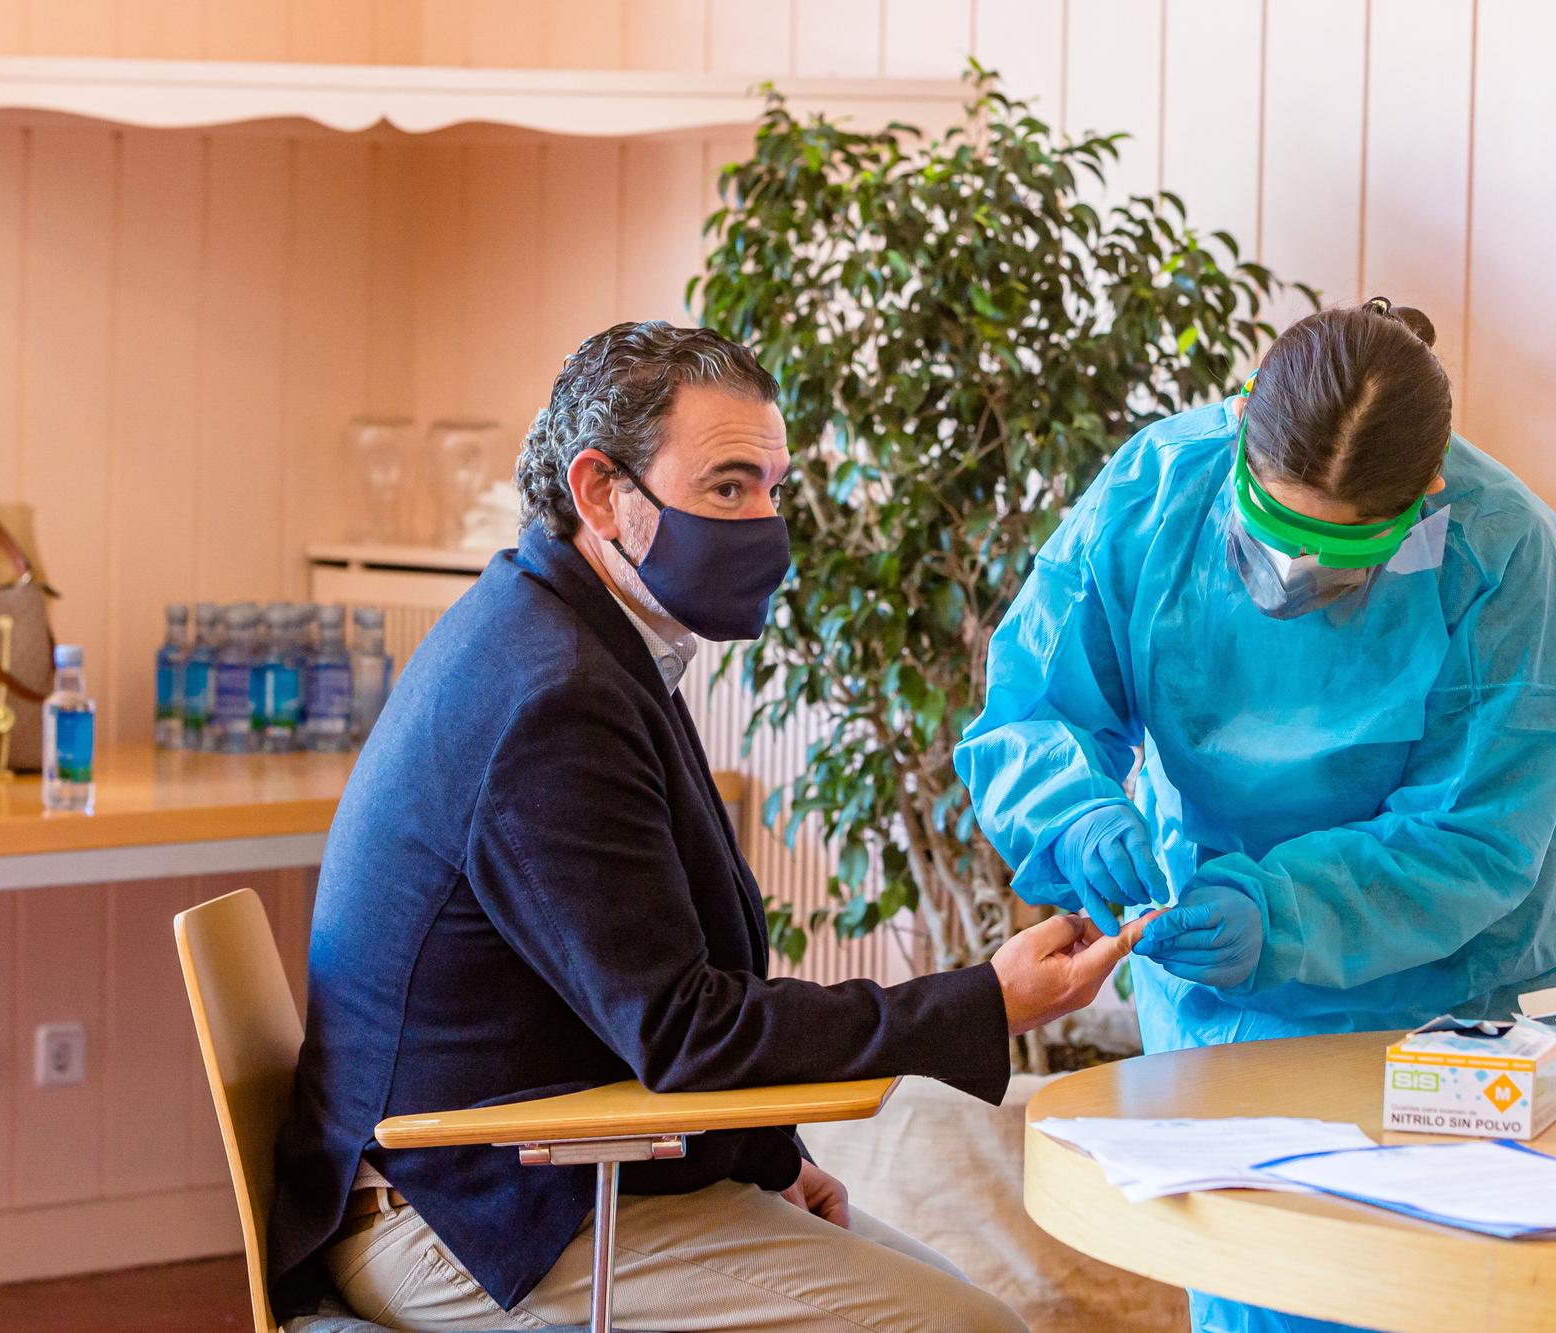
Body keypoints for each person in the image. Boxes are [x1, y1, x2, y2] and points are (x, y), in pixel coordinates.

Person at [268, 321, 1146, 1332]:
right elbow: (684, 1029)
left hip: (540, 1173)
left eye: (774, 488)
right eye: (728, 488)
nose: (765, 522)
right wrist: (983, 1002)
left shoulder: (576, 635)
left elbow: (643, 998)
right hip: (471, 1216)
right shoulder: (552, 696)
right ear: (602, 493)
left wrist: (774, 1157)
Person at [956, 299, 1556, 1333]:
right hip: (1221, 987)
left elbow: (1473, 835)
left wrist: (1284, 907)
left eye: (1337, 554)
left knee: (1452, 1295)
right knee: (1263, 1289)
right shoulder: (1152, 492)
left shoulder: (1498, 552)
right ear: (1237, 429)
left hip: (1466, 992)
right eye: (1271, 535)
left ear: (1426, 491)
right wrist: (1073, 813)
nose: (1291, 582)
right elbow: (1031, 708)